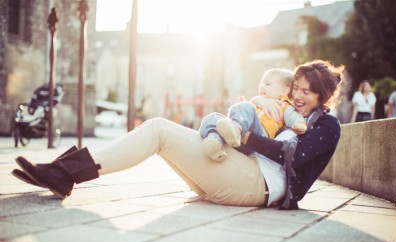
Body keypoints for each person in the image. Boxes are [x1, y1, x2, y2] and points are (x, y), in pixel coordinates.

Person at [11, 59, 345, 210]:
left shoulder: (327, 126)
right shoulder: (287, 109)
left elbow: (291, 156)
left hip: (259, 186)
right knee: (169, 134)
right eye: (296, 89)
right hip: (238, 176)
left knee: (158, 129)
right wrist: (259, 101)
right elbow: (260, 119)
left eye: (307, 93)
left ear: (323, 97)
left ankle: (64, 173)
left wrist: (244, 138)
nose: (297, 97)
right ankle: (61, 170)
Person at [199, 68, 307, 162]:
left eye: (268, 84)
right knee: (213, 117)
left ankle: (235, 129)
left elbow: (295, 117)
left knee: (247, 107)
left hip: (258, 136)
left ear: (285, 90)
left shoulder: (284, 106)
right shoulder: (257, 101)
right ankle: (215, 142)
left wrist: (300, 124)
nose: (262, 87)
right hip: (237, 138)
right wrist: (239, 107)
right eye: (261, 84)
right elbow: (245, 114)